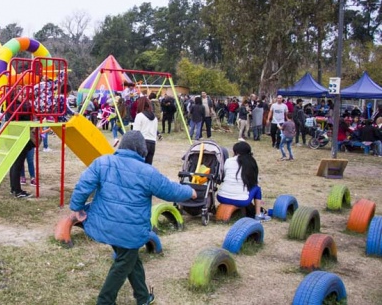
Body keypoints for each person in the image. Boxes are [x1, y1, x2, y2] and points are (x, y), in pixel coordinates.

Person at [70, 131, 196, 305]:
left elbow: (83, 184)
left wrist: (77, 208)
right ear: (141, 149)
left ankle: (143, 297)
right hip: (129, 229)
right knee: (124, 262)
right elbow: (169, 190)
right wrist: (190, 191)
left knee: (130, 258)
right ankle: (105, 301)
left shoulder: (103, 162)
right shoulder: (147, 172)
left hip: (105, 223)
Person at [216, 142, 271, 221]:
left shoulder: (228, 161)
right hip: (241, 201)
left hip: (222, 197)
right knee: (257, 189)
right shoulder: (251, 163)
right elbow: (254, 181)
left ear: (235, 151)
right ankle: (258, 214)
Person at [132, 96, 158, 165]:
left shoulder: (139, 116)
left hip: (142, 142)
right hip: (152, 143)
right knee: (148, 167)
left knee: (139, 166)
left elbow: (136, 132)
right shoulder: (155, 118)